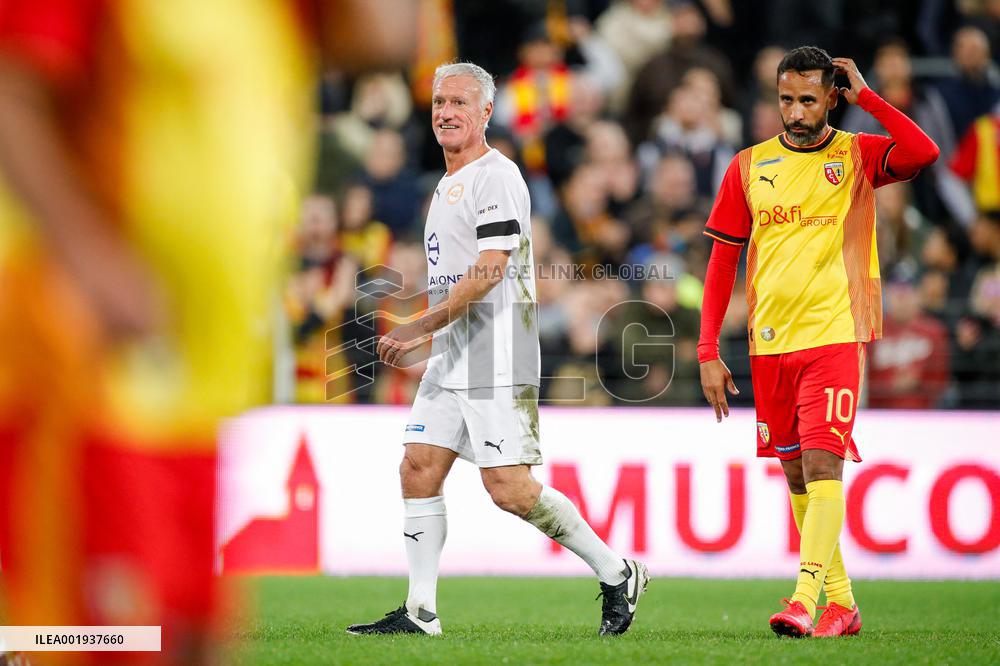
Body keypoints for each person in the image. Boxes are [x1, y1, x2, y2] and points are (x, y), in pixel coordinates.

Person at [0, 1, 415, 663]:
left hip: (204, 386)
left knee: (189, 636)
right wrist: (87, 256)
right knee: (110, 638)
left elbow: (386, 36)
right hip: (94, 359)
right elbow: (12, 88)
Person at [347, 62, 648, 637]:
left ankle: (617, 571)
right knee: (417, 467)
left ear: (486, 112)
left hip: (497, 353)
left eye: (460, 102)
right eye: (439, 102)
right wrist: (435, 334)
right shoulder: (447, 181)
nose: (446, 112)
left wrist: (418, 326)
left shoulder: (497, 174)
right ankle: (420, 612)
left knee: (509, 489)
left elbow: (489, 272)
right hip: (454, 354)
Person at [697, 47, 938, 638]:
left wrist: (869, 96)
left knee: (824, 461)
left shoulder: (856, 153)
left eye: (809, 99)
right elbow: (721, 262)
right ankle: (843, 603)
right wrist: (707, 350)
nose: (796, 111)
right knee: (799, 477)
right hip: (770, 343)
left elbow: (922, 152)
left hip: (836, 333)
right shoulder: (749, 166)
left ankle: (803, 599)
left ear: (831, 96)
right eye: (786, 99)